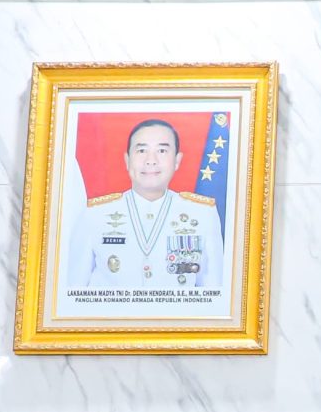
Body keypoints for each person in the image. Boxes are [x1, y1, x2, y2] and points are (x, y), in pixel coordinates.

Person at [71, 117, 229, 294]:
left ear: (177, 160)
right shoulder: (95, 215)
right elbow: (73, 290)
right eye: (141, 150)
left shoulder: (203, 214)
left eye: (162, 151)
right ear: (127, 160)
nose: (151, 160)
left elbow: (214, 293)